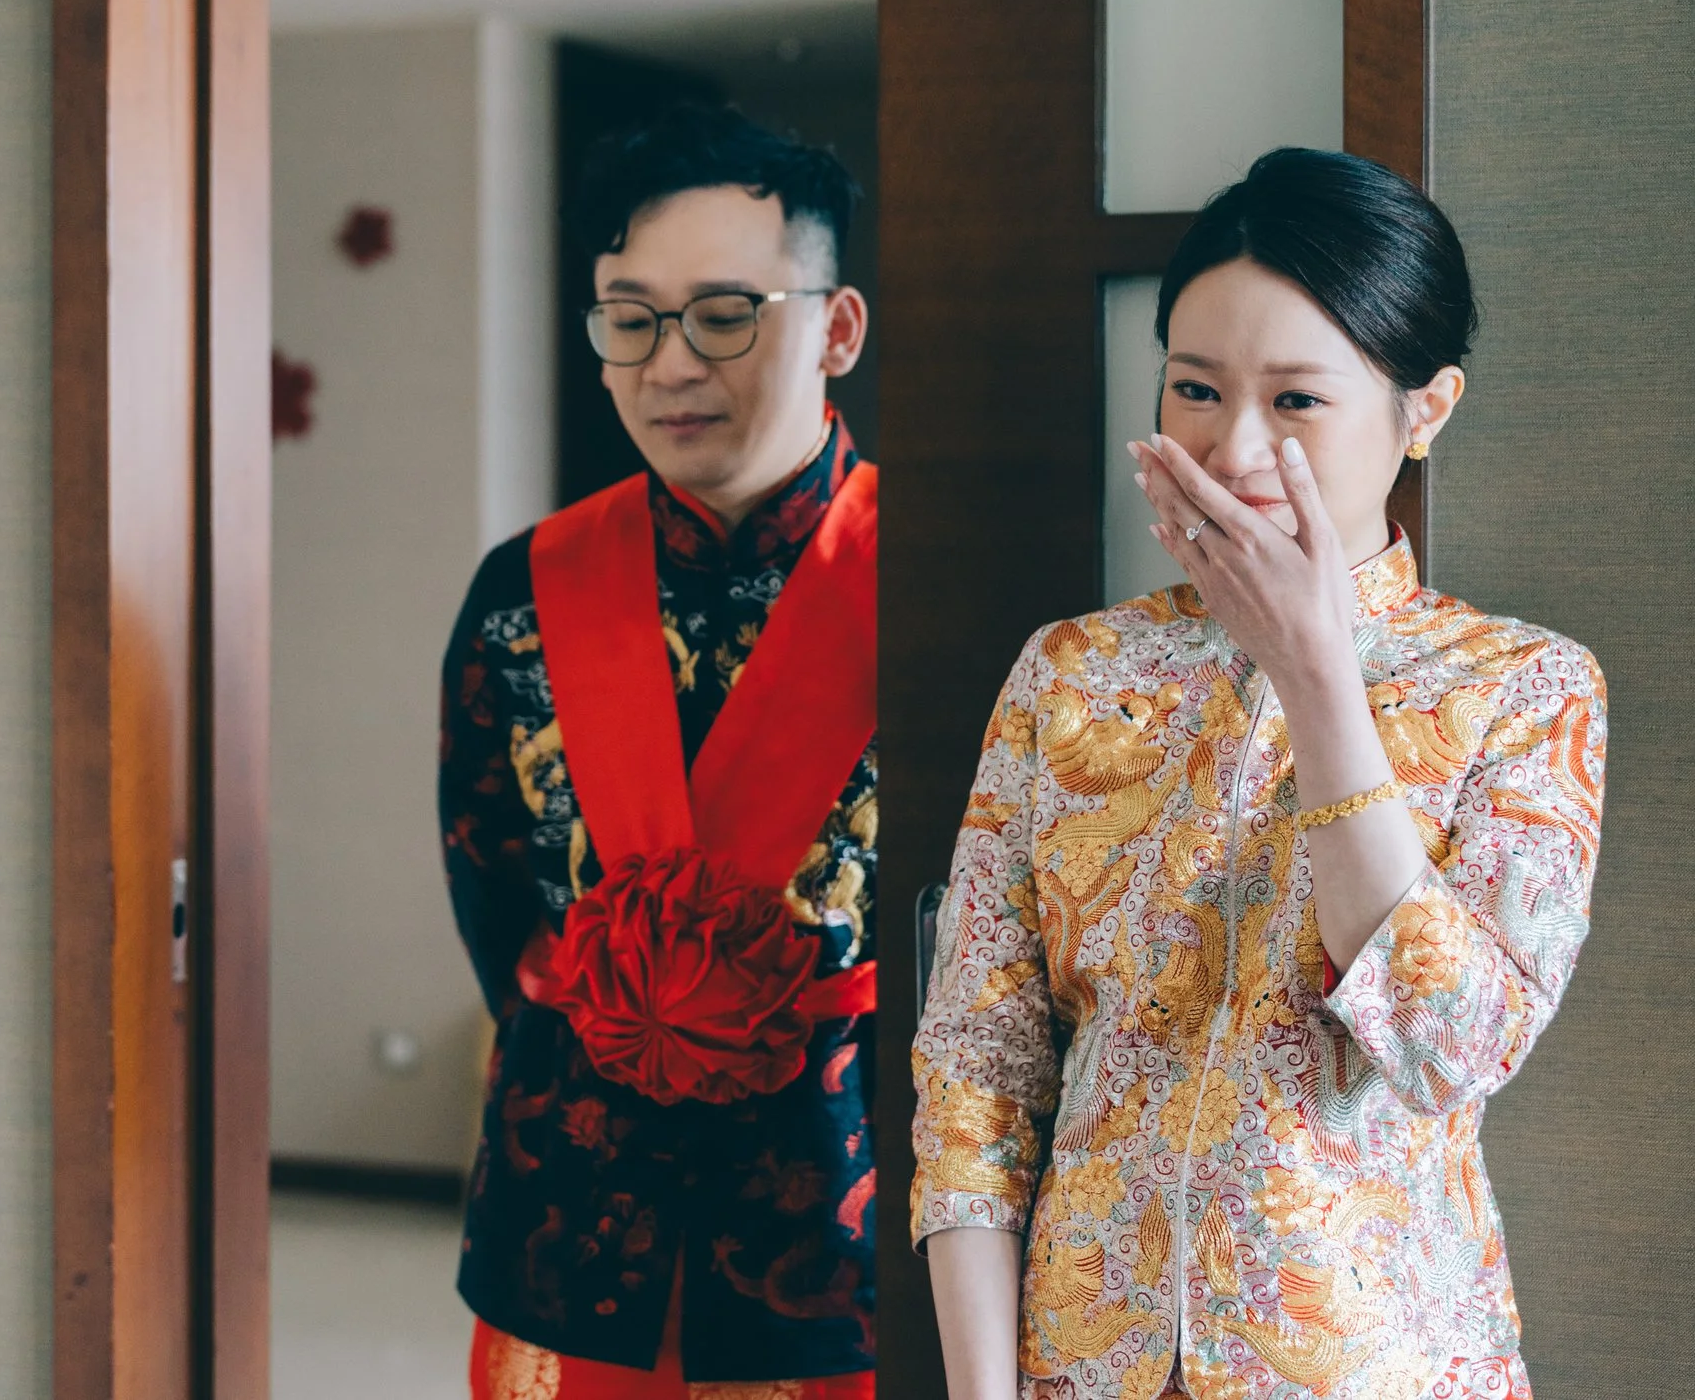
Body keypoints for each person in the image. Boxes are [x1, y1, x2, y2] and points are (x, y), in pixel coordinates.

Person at [911, 148, 1608, 1400]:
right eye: (1194, 388)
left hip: (1381, 1368)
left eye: (1295, 400)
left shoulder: (1524, 688)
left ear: (1425, 409)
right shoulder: (1071, 673)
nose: (1232, 447)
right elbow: (976, 1068)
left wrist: (1317, 675)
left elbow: (1448, 1048)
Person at [442, 105, 883, 1398]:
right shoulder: (522, 591)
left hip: (844, 1220)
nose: (671, 364)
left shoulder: (932, 589)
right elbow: (492, 894)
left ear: (837, 329)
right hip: (573, 1208)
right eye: (630, 320)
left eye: (725, 315)